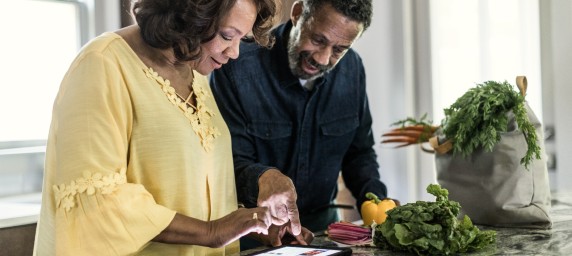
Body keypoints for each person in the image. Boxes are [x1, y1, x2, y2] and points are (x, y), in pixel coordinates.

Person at [33, 0, 287, 255]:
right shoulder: (102, 63)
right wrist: (210, 231)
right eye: (226, 36)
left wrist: (249, 225)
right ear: (189, 13)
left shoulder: (194, 74)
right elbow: (97, 200)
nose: (234, 53)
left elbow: (186, 187)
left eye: (240, 39)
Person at [210, 0, 389, 246]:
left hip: (324, 232)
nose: (324, 59)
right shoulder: (237, 67)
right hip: (256, 234)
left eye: (339, 49)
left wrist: (379, 204)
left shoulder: (352, 69)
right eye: (318, 40)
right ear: (297, 14)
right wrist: (265, 177)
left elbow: (359, 153)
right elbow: (228, 162)